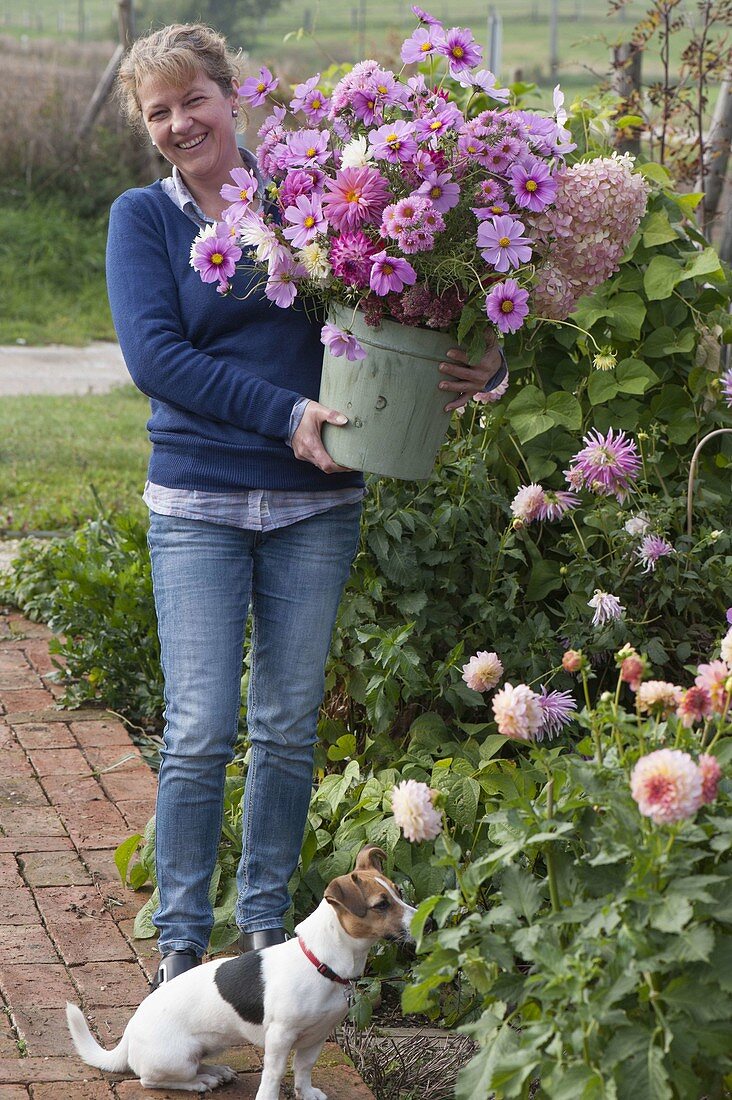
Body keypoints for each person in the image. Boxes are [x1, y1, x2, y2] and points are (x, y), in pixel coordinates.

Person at [108, 23, 507, 989]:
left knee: (287, 727)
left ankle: (261, 932)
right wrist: (284, 411)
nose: (177, 123)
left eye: (192, 99)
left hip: (314, 501)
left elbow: (402, 298)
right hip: (197, 498)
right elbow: (157, 359)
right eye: (157, 113)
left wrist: (484, 360)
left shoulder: (308, 201)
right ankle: (179, 941)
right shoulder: (143, 219)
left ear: (231, 96)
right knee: (201, 725)